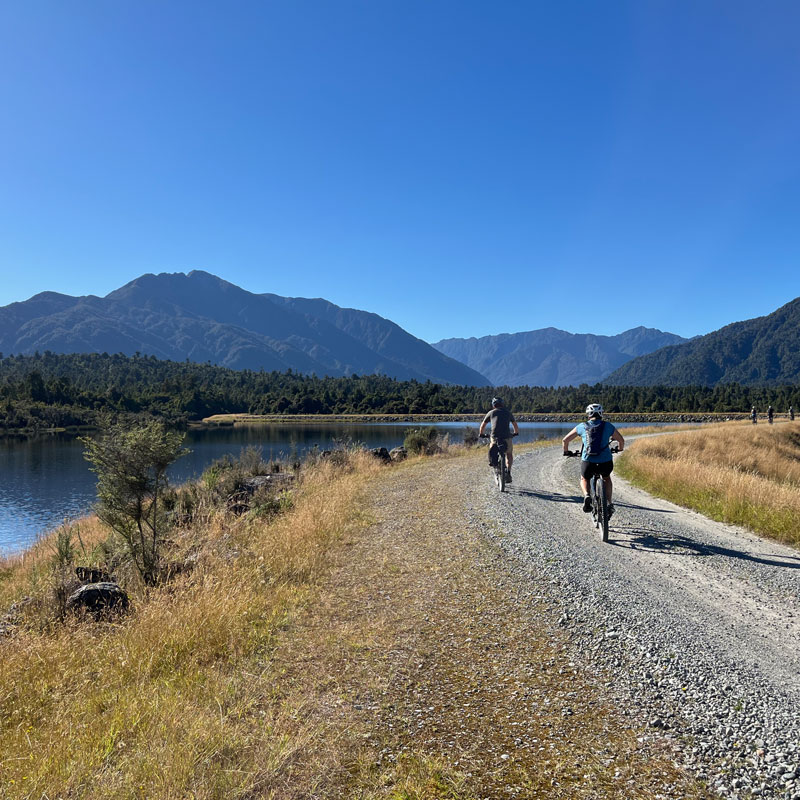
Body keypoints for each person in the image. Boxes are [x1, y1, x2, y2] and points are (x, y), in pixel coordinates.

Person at [562, 403, 625, 515]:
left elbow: (565, 440)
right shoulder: (608, 426)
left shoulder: (582, 426)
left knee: (584, 478)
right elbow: (621, 441)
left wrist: (566, 451)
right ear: (601, 414)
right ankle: (609, 503)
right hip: (605, 462)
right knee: (606, 478)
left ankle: (587, 495)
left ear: (588, 414)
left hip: (588, 461)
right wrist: (619, 449)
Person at [479, 397, 519, 482]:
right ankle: (508, 471)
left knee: (492, 446)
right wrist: (515, 433)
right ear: (502, 404)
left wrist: (481, 434)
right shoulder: (508, 413)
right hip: (507, 436)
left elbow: (483, 425)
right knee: (509, 454)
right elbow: (515, 424)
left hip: (495, 436)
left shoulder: (491, 413)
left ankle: (493, 461)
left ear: (493, 405)